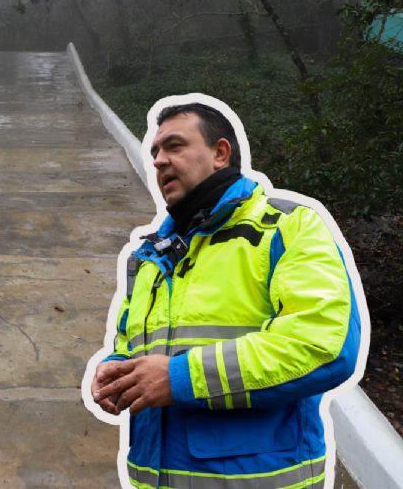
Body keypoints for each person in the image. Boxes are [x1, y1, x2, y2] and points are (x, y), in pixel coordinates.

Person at [85, 98, 365, 488]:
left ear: (220, 153)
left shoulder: (287, 228)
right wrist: (117, 371)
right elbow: (131, 345)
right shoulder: (147, 257)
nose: (159, 160)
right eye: (154, 152)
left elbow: (324, 345)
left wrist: (180, 378)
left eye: (174, 145)